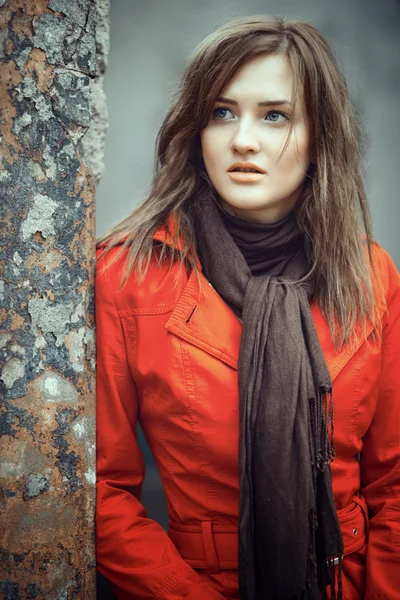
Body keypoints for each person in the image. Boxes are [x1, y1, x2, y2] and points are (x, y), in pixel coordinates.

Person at [95, 15, 400, 600]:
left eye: (275, 115)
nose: (242, 140)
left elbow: (393, 481)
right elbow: (100, 490)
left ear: (320, 138)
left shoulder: (371, 275)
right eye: (222, 112)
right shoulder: (128, 275)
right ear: (196, 130)